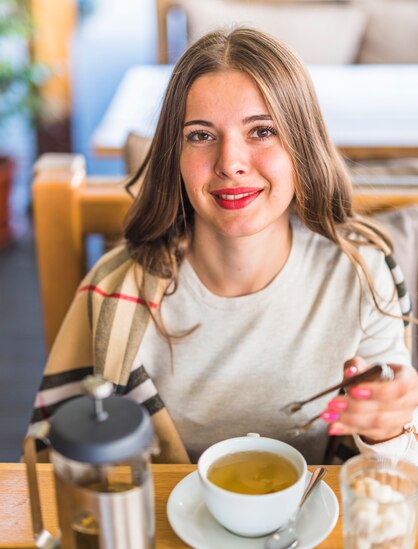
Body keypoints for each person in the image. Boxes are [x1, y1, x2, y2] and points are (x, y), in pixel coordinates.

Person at [31, 28, 418, 464]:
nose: (231, 163)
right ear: (173, 156)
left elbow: (400, 470)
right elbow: (53, 461)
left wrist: (388, 428)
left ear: (302, 147)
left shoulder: (362, 275)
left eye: (262, 131)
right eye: (200, 135)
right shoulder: (117, 295)